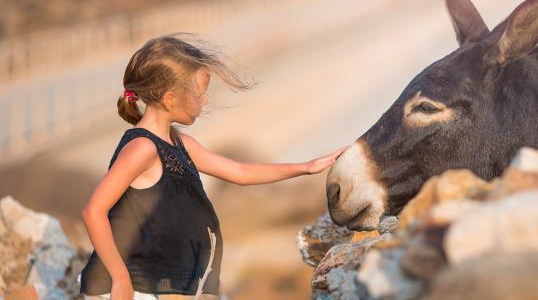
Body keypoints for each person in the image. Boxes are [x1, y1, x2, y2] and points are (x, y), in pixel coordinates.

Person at [78, 33, 347, 300]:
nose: (204, 101)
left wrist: (307, 167)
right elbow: (94, 210)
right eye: (199, 93)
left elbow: (240, 173)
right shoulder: (142, 149)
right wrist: (120, 278)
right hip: (126, 289)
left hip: (155, 287)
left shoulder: (180, 143)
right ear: (170, 99)